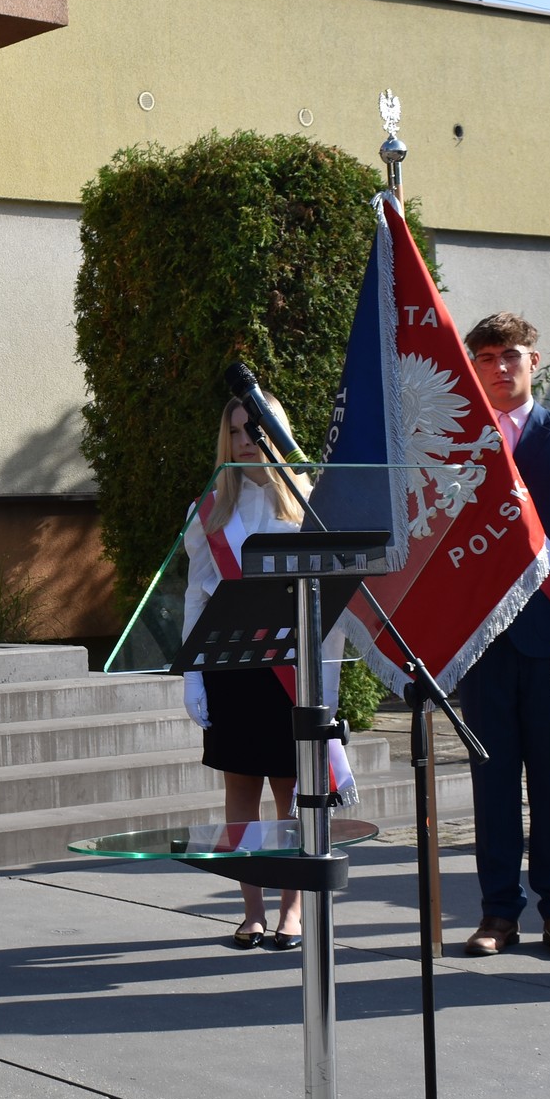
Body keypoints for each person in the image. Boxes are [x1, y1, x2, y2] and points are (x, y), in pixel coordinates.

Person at [457, 313, 550, 960]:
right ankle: (498, 911)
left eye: (510, 354)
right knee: (491, 784)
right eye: (486, 356)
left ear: (534, 361)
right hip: (482, 645)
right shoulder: (459, 445)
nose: (499, 367)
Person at [181, 393, 341, 951]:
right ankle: (251, 911)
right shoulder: (209, 512)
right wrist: (192, 674)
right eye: (236, 431)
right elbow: (195, 598)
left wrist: (327, 684)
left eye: (256, 428)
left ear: (278, 431)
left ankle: (291, 910)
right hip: (230, 666)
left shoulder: (308, 504)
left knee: (291, 791)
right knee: (241, 790)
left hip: (290, 670)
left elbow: (330, 603)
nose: (246, 440)